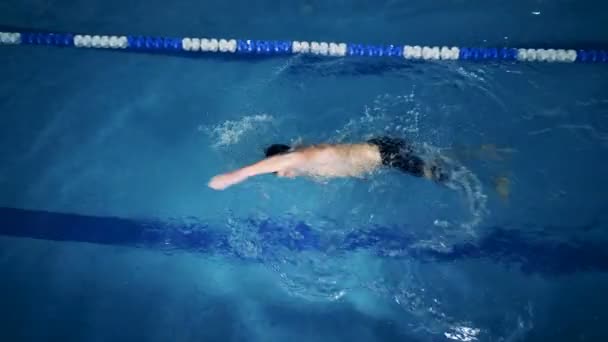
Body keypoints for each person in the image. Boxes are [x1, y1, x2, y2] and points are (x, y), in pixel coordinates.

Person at [208, 136, 449, 190]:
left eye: (277, 172)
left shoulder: (297, 158)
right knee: (446, 158)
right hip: (381, 151)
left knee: (439, 176)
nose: (280, 175)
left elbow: (281, 161)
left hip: (385, 155)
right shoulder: (306, 161)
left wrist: (235, 176)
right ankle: (482, 152)